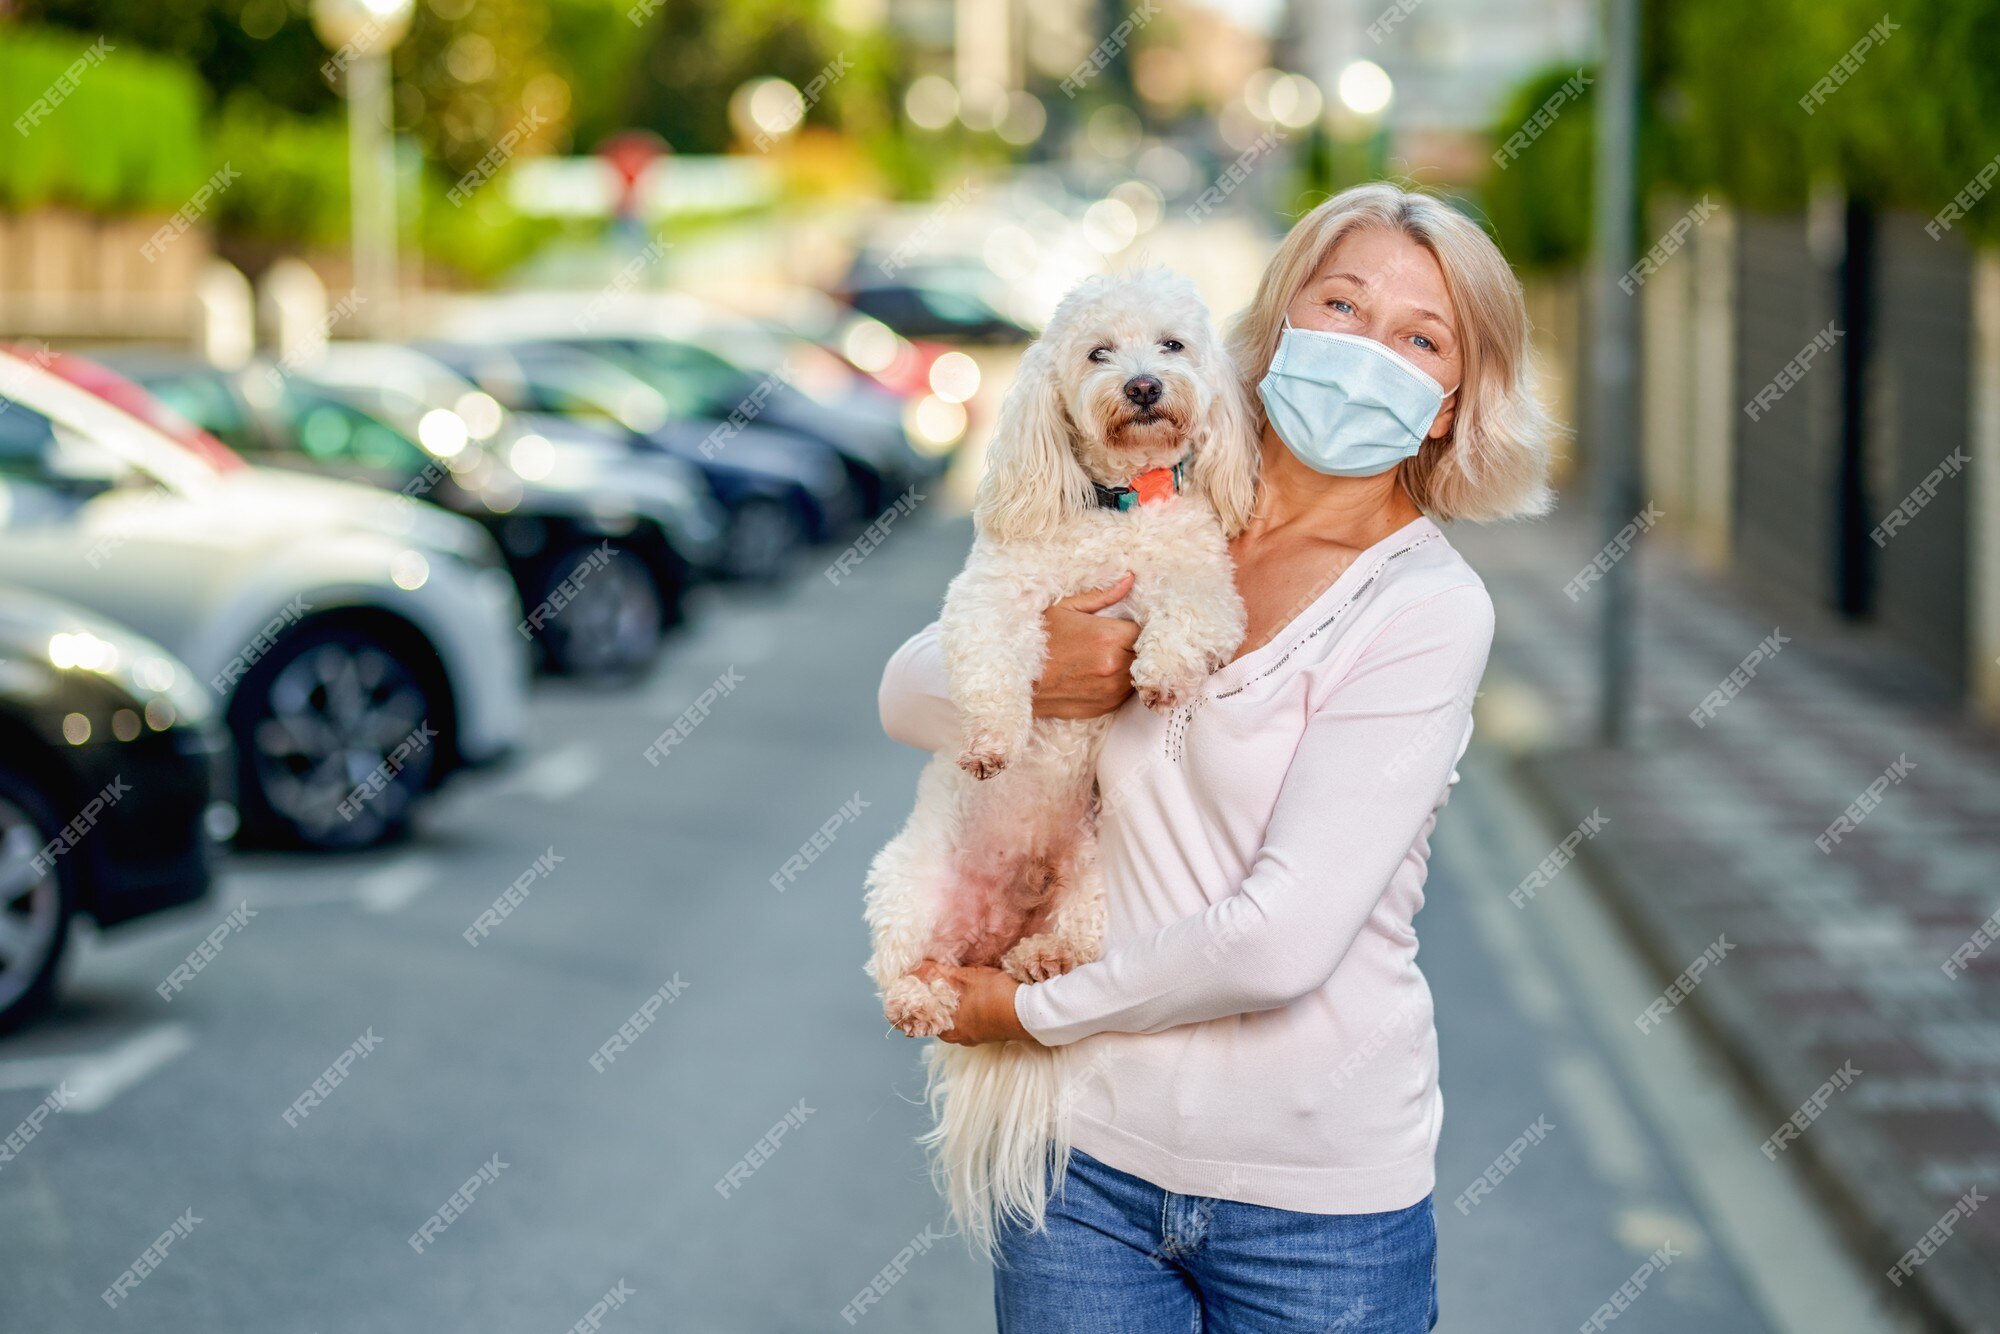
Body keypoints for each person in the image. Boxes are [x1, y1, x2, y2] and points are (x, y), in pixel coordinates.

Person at [877, 182, 1557, 1332]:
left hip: (1312, 1209)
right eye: (1339, 303)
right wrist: (1050, 669)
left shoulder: (1427, 608)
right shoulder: (1153, 502)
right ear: (1278, 322)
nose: (1365, 350)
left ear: (1447, 405)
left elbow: (1278, 937)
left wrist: (1025, 1012)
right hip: (1079, 1167)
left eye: (1419, 337)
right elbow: (906, 690)